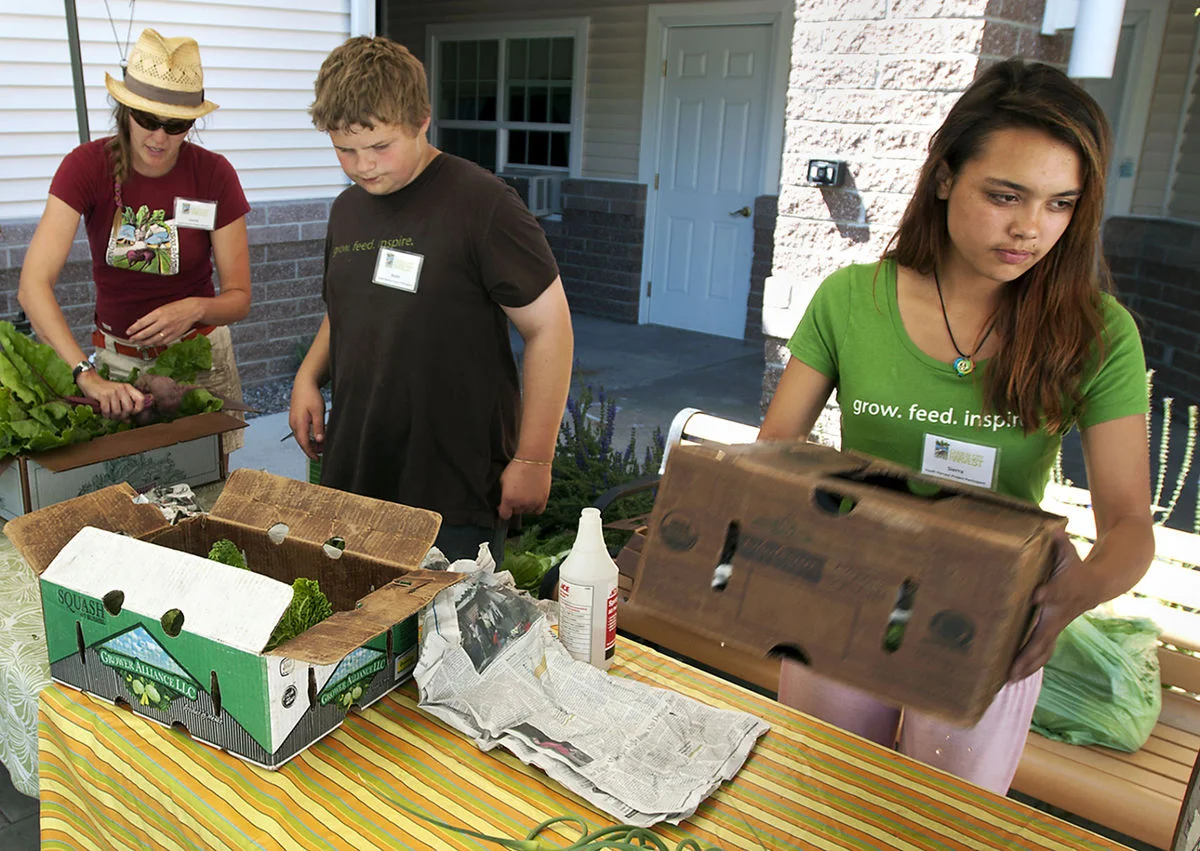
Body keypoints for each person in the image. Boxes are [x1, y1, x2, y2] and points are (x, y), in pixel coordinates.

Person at [758, 59, 1154, 794]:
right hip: (844, 598)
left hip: (992, 620)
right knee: (817, 808)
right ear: (943, 177)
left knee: (944, 824)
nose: (1030, 228)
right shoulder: (853, 298)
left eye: (1060, 204)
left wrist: (1077, 591)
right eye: (1004, 195)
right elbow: (777, 449)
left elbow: (1131, 522)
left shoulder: (1097, 333)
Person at [289, 37, 573, 561]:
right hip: (357, 467)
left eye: (379, 147)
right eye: (344, 149)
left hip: (452, 484)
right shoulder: (346, 210)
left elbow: (550, 327)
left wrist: (535, 458)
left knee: (446, 635)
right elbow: (348, 308)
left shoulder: (484, 204)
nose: (362, 166)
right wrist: (309, 376)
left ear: (422, 119)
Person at [19, 28, 251, 458]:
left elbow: (239, 299)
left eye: (176, 125)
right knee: (128, 491)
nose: (159, 138)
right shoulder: (86, 167)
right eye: (147, 119)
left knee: (208, 488)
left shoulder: (215, 175)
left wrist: (197, 307)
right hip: (117, 367)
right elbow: (33, 285)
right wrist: (86, 374)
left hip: (200, 360)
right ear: (124, 110)